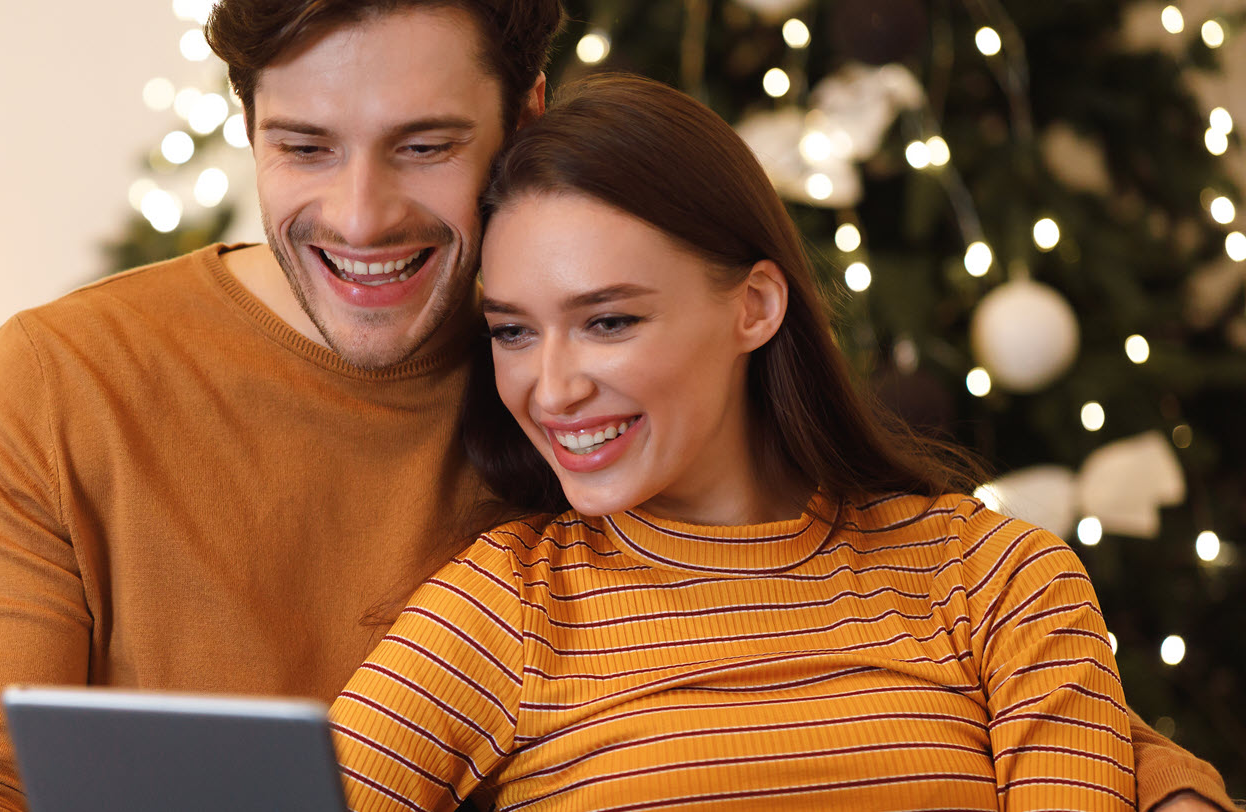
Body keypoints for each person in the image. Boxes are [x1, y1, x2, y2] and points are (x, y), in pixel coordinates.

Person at [0, 0, 1234, 809]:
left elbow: (1068, 725)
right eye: (305, 147)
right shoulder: (66, 385)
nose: (360, 219)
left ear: (524, 114)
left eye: (423, 146)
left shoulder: (953, 563)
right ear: (250, 127)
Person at [329, 73, 1236, 812]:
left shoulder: (996, 579)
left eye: (608, 321)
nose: (552, 388)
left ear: (755, 306)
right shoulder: (503, 609)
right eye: (514, 331)